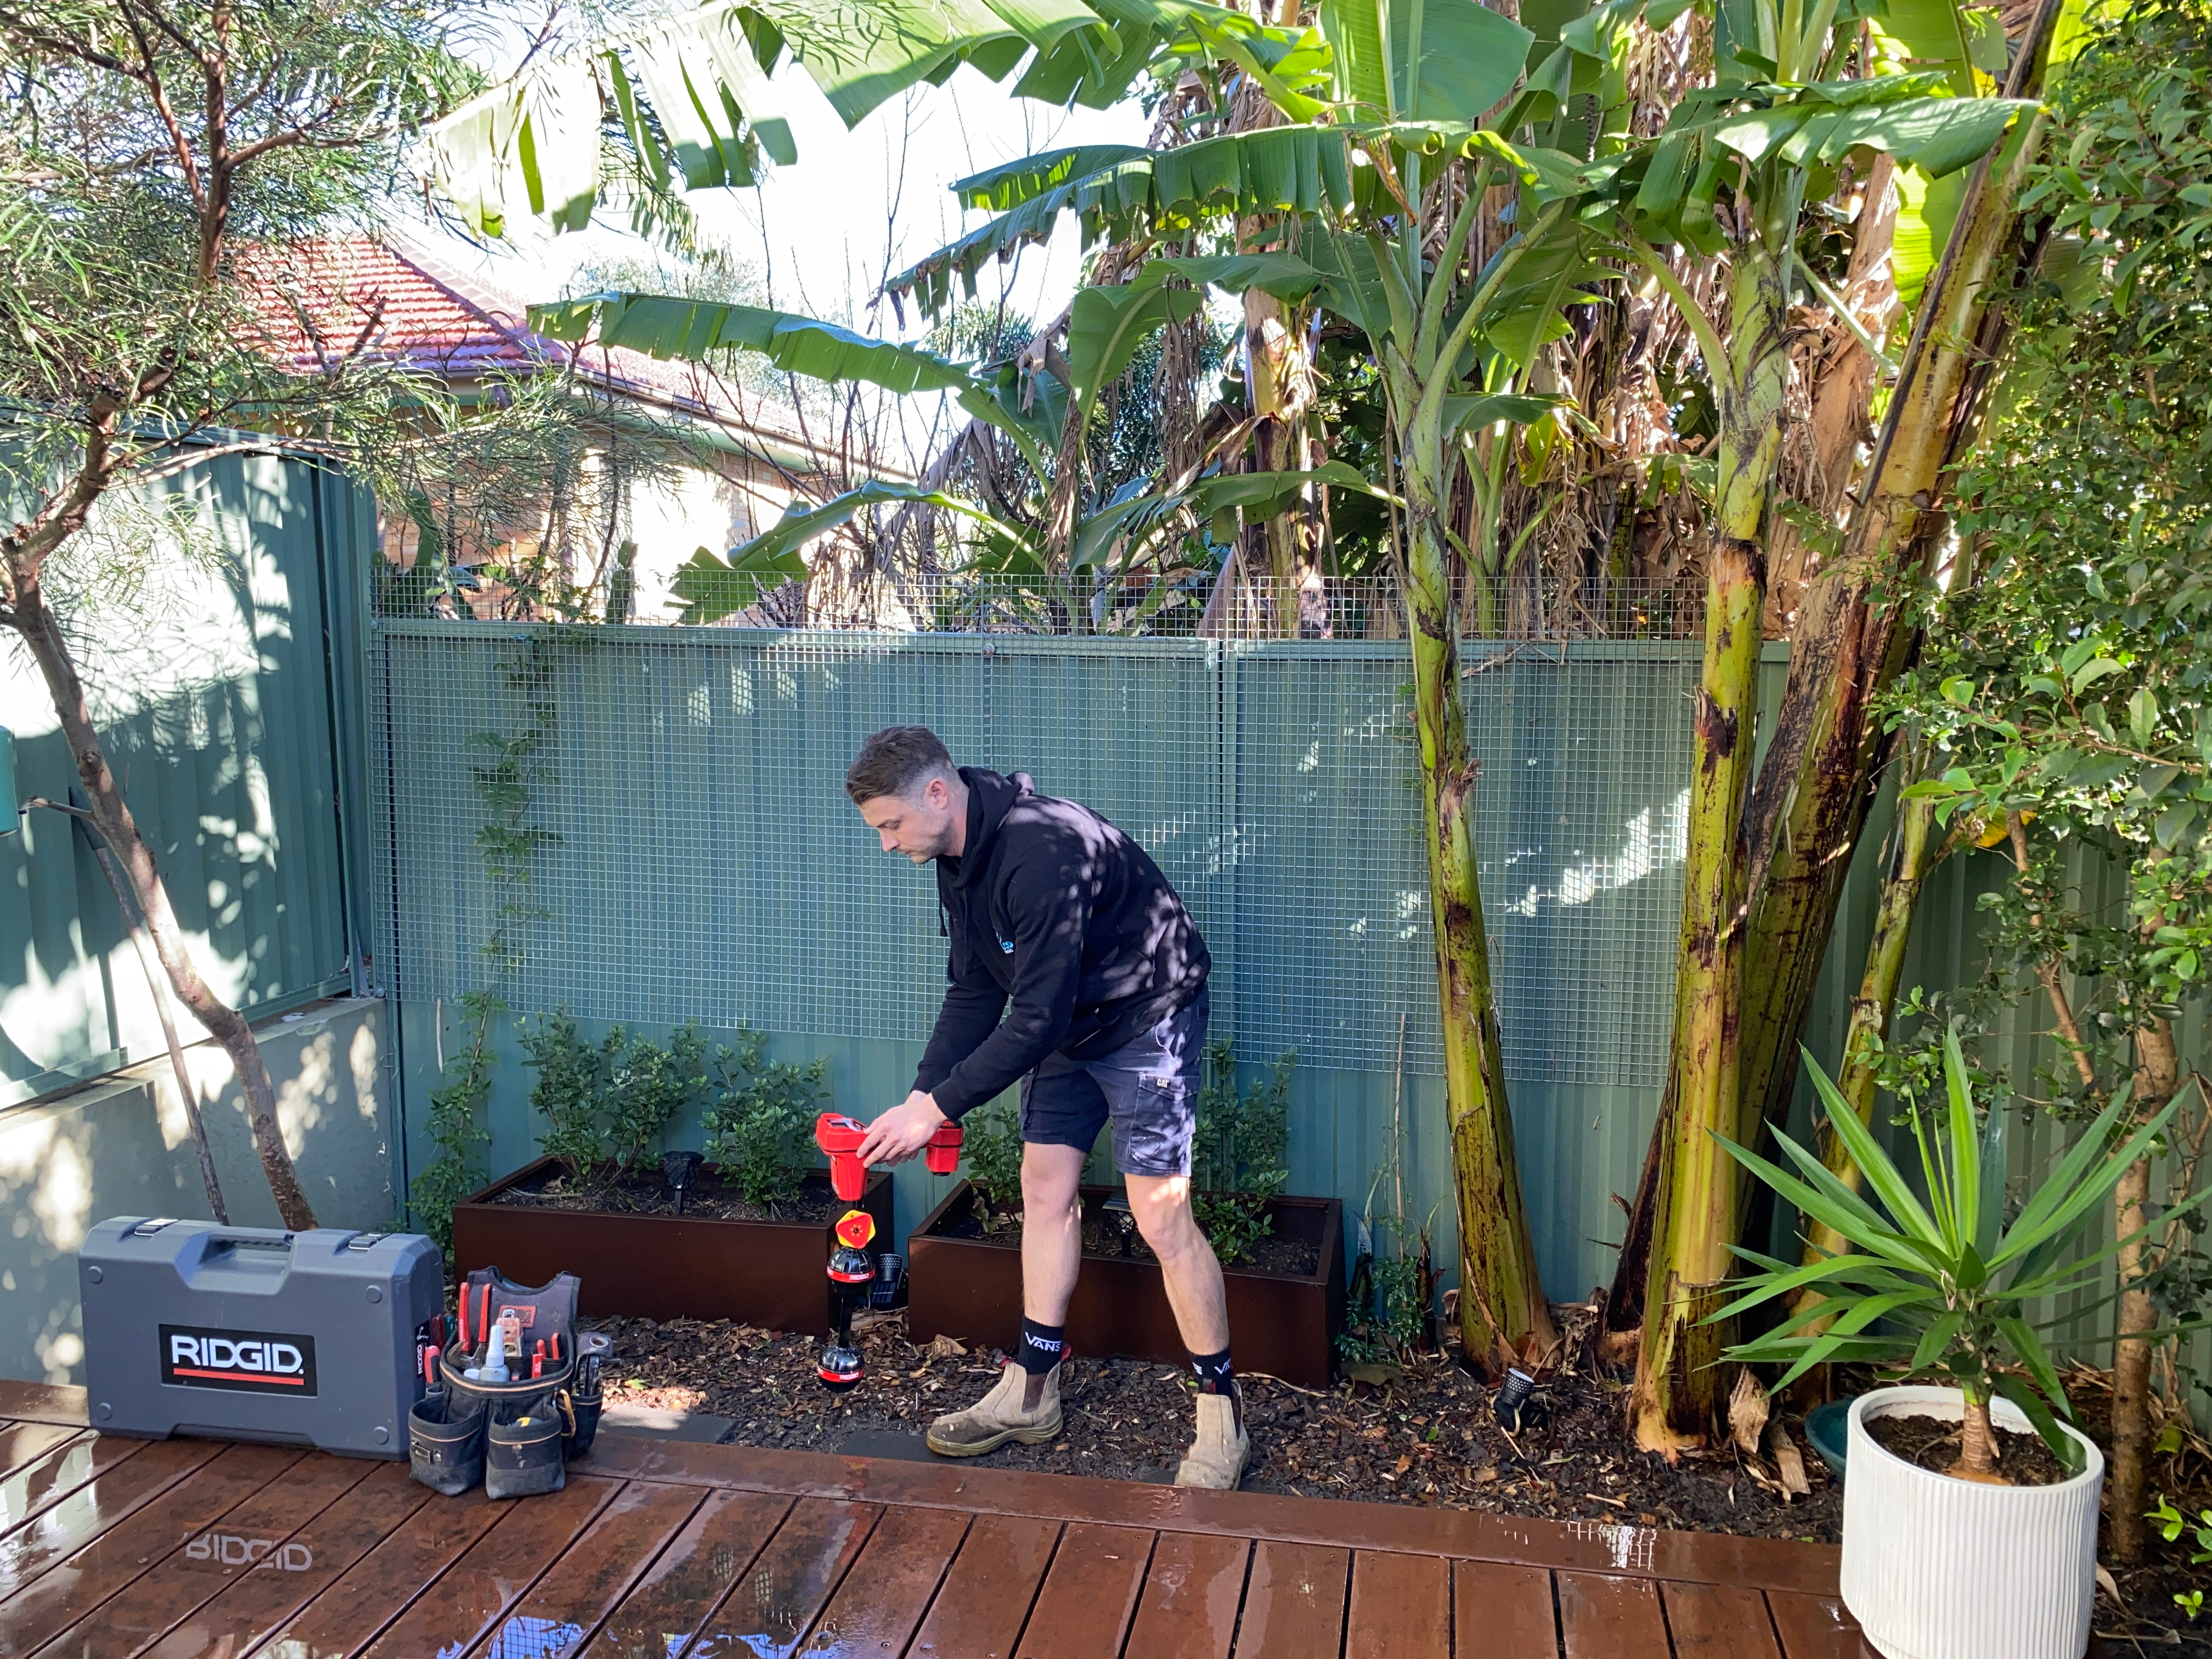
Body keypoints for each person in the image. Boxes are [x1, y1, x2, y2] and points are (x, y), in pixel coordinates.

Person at [847, 725, 1245, 1488]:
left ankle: (1220, 1412)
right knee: (1044, 1190)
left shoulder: (1040, 850)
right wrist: (926, 1096)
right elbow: (975, 987)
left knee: (1161, 1216)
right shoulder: (956, 856)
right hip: (1065, 1019)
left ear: (937, 793)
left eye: (891, 826)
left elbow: (1033, 1021)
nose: (888, 846)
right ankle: (1032, 1392)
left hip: (1146, 1015)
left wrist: (936, 1112)